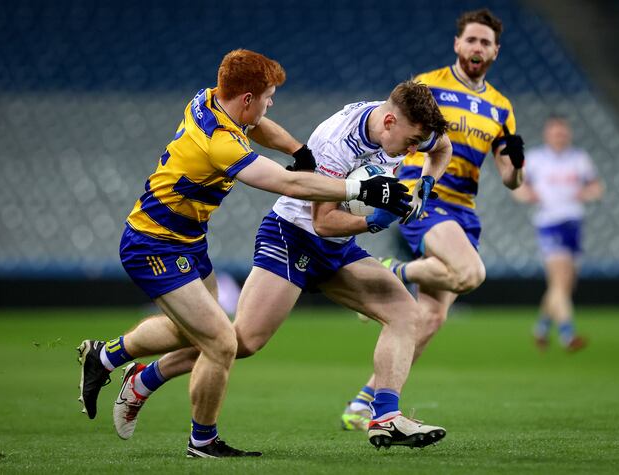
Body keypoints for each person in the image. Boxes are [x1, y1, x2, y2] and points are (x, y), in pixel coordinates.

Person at [77, 49, 415, 459]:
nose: (271, 103)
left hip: (187, 238)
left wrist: (299, 151)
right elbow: (287, 186)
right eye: (268, 96)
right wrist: (357, 190)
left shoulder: (209, 99)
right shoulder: (220, 145)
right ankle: (202, 442)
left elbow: (258, 126)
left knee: (197, 331)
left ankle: (107, 356)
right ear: (248, 98)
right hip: (153, 244)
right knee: (222, 343)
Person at [339, 8, 527, 431]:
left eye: (486, 42)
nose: (477, 47)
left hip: (465, 210)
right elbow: (395, 136)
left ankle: (364, 402)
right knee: (470, 272)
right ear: (457, 44)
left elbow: (510, 180)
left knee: (430, 317)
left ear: (496, 51)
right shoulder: (428, 86)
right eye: (471, 40)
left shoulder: (501, 107)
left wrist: (517, 167)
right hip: (425, 195)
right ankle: (395, 271)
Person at [512, 114, 604, 351]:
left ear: (568, 134)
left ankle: (541, 327)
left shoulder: (579, 159)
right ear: (547, 134)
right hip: (549, 223)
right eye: (555, 132)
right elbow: (518, 185)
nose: (559, 136)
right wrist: (527, 195)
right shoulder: (536, 159)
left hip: (573, 222)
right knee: (560, 279)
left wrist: (588, 193)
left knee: (564, 285)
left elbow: (596, 185)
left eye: (562, 132)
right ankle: (567, 334)